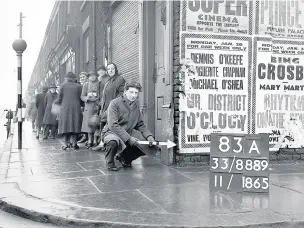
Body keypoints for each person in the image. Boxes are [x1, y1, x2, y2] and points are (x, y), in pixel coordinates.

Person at [101, 81, 157, 171]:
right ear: (125, 91)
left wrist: (149, 136)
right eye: (131, 92)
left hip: (128, 132)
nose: (134, 95)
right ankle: (110, 162)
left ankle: (125, 158)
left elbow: (140, 124)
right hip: (111, 132)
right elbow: (112, 125)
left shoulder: (135, 105)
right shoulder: (114, 103)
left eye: (136, 93)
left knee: (149, 145)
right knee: (112, 142)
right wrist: (129, 138)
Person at [92, 63, 125, 151]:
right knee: (104, 125)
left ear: (116, 69)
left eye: (112, 69)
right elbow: (104, 95)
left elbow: (122, 93)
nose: (110, 70)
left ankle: (109, 145)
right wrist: (100, 105)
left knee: (111, 126)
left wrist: (113, 103)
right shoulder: (108, 81)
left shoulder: (120, 79)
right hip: (105, 107)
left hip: (114, 108)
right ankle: (103, 143)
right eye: (109, 69)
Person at [56, 72, 83, 150]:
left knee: (66, 125)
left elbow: (59, 97)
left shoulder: (63, 85)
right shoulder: (78, 86)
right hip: (76, 107)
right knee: (75, 124)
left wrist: (60, 104)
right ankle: (74, 144)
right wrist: (81, 105)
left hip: (65, 107)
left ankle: (66, 144)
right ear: (74, 78)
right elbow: (81, 98)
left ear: (66, 78)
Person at [80, 71, 100, 148]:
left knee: (95, 123)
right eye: (91, 76)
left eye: (94, 75)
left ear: (96, 76)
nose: (92, 77)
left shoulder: (99, 84)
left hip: (96, 106)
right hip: (88, 106)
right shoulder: (86, 84)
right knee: (88, 124)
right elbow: (82, 96)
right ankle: (89, 140)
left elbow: (101, 94)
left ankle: (95, 140)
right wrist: (86, 98)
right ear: (88, 77)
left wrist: (97, 99)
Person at [77, 72, 88, 144]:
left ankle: (85, 136)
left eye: (83, 77)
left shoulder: (87, 84)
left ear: (86, 77)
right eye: (81, 77)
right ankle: (83, 135)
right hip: (81, 105)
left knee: (86, 121)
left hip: (86, 104)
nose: (82, 78)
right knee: (82, 121)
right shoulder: (80, 85)